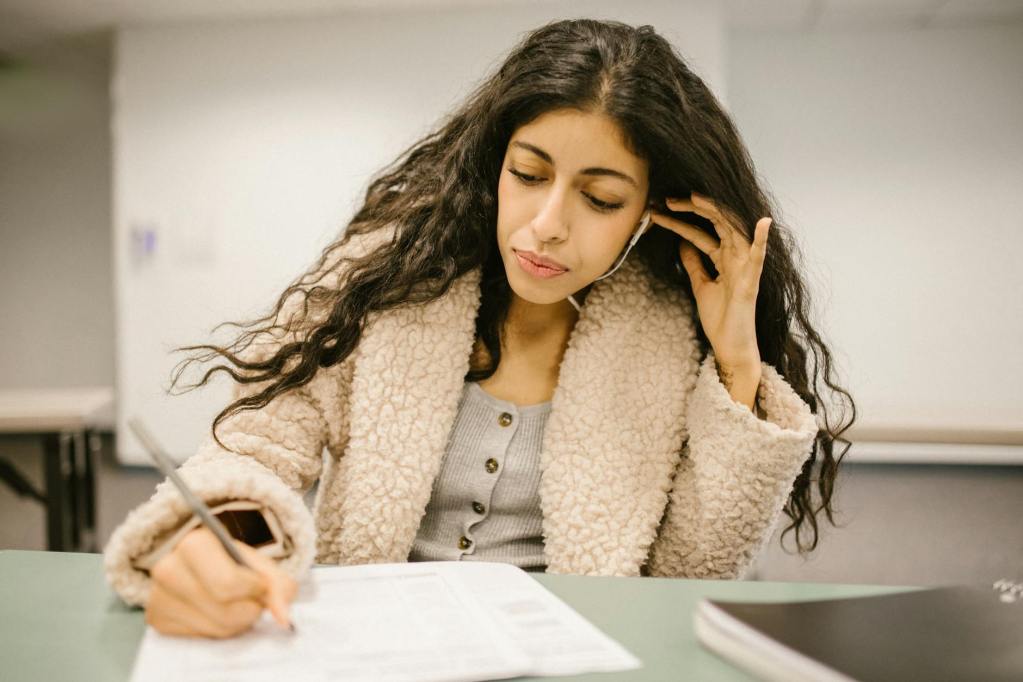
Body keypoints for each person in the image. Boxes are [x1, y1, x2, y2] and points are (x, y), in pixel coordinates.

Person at [103, 18, 855, 639]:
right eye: (528, 175)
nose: (547, 225)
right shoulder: (390, 277)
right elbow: (264, 440)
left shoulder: (668, 339)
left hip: (568, 655)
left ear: (653, 211)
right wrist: (226, 534)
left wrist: (735, 365)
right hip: (372, 646)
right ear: (493, 163)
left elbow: (690, 575)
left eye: (598, 198)